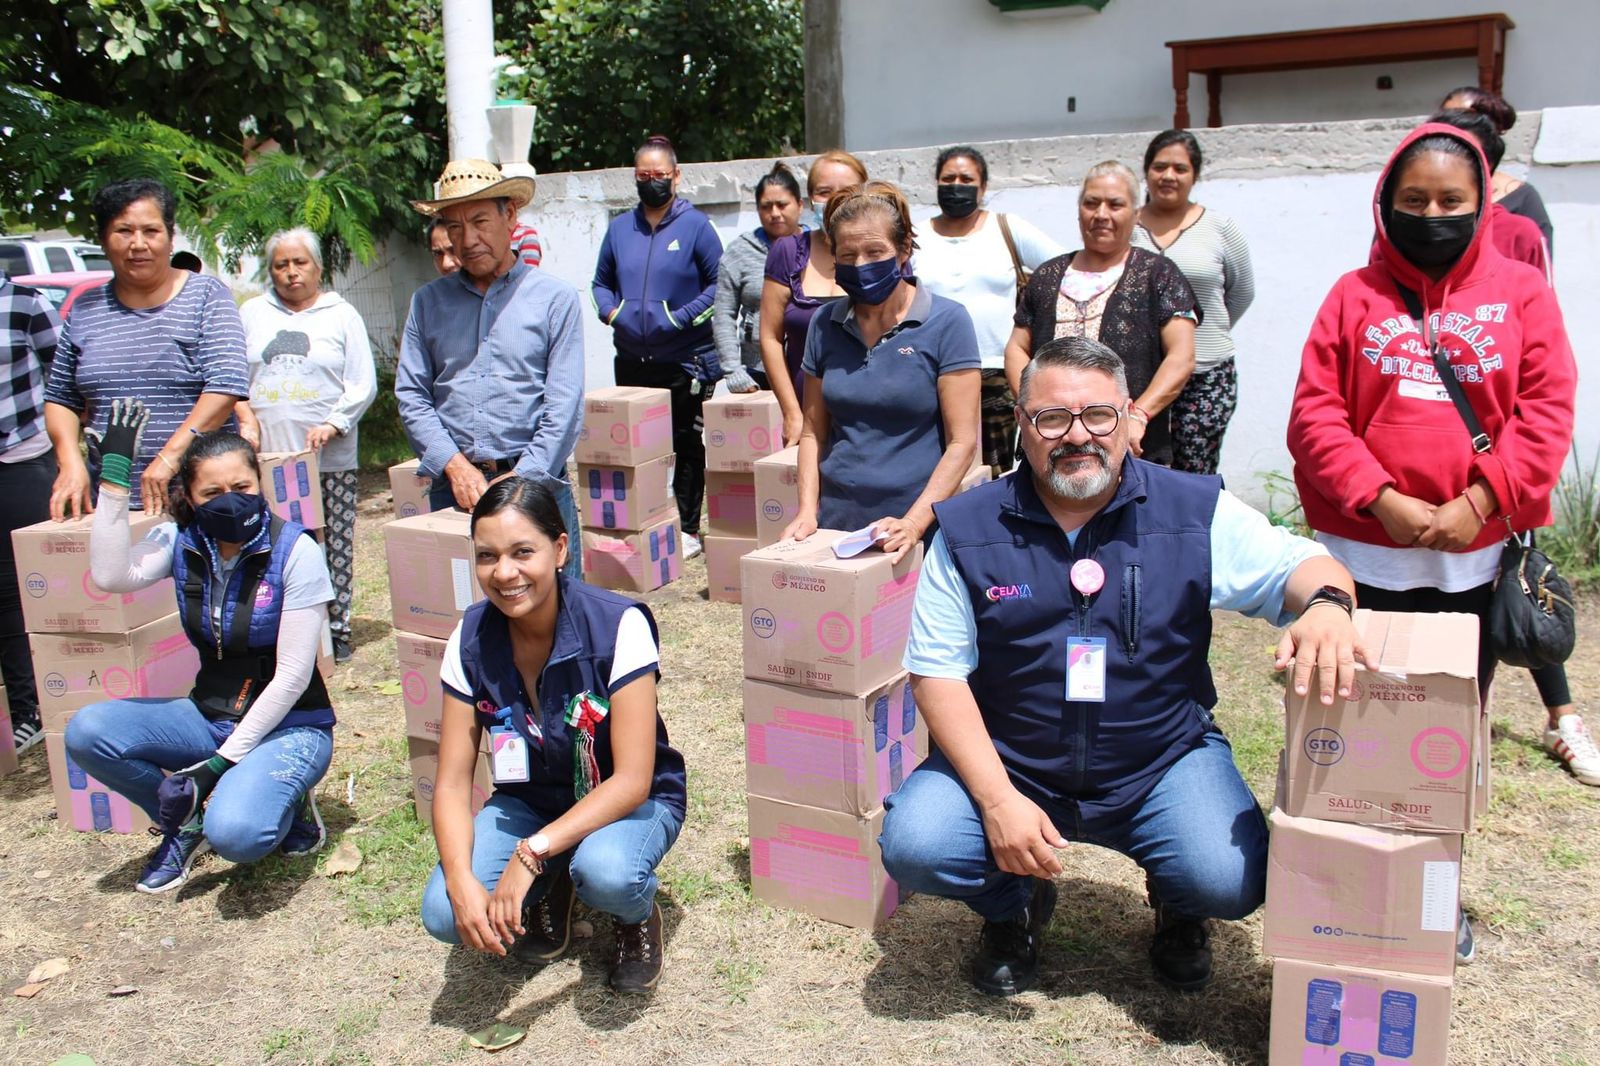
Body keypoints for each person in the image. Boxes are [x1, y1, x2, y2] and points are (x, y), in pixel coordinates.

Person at [880, 337, 1362, 996]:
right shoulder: (967, 528)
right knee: (918, 844)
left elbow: (1303, 566)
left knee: (1228, 877)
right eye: (1053, 418)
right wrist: (996, 801)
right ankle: (1012, 905)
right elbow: (936, 672)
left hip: (1158, 759)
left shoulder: (1191, 510)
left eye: (1098, 415)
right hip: (1015, 760)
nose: (1077, 435)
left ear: (1130, 416)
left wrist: (1329, 606)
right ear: (1021, 424)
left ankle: (1178, 903)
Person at [1288, 123, 1579, 953]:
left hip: (1471, 565)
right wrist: (1376, 497)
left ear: (1483, 204)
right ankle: (1346, 890)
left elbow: (1547, 411)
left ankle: (1430, 896)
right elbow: (1314, 414)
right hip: (1362, 560)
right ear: (1385, 203)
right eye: (1413, 200)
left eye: (1452, 200)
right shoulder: (1352, 295)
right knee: (1347, 729)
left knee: (1438, 743)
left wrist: (1481, 500)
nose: (1432, 216)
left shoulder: (1523, 293)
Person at [419, 478, 685, 995]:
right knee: (443, 913)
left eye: (523, 552)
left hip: (628, 800)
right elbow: (450, 784)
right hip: (530, 802)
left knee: (607, 873)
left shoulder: (618, 625)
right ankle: (554, 883)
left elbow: (633, 780)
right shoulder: (468, 640)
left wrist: (531, 853)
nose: (504, 573)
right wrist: (459, 878)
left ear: (560, 549)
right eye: (487, 556)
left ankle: (635, 916)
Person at [64, 405, 335, 894]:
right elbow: (111, 575)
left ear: (259, 483)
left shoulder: (296, 551)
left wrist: (217, 766)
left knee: (237, 836)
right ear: (189, 496)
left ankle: (289, 800)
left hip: (291, 724)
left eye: (242, 487)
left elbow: (293, 677)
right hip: (210, 713)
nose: (229, 500)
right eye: (211, 492)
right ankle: (183, 823)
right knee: (89, 732)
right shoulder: (180, 540)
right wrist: (114, 483)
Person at [398, 159, 585, 579]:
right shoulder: (427, 303)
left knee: (554, 604)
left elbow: (564, 406)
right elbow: (411, 395)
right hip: (456, 489)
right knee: (464, 605)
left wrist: (523, 478)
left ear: (510, 216)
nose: (468, 239)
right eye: (455, 226)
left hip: (537, 484)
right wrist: (455, 466)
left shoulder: (554, 299)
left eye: (480, 221)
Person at [780, 182, 980, 559]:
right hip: (837, 524)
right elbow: (812, 432)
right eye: (847, 254)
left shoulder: (947, 322)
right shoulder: (824, 324)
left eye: (875, 252)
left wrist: (914, 523)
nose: (860, 266)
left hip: (919, 530)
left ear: (904, 249)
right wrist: (807, 511)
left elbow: (962, 442)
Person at [44, 178, 249, 517]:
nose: (138, 244)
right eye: (123, 231)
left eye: (151, 231)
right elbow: (61, 398)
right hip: (112, 503)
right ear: (103, 240)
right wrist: (70, 461)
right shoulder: (85, 308)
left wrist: (169, 459)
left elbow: (226, 385)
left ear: (170, 237)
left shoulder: (206, 296)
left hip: (206, 501)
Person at [236, 228, 378, 664]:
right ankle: (279, 626)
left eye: (300, 263)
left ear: (318, 267)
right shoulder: (253, 314)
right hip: (269, 460)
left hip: (329, 459)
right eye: (281, 264)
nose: (291, 272)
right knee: (273, 542)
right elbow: (234, 377)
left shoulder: (341, 315)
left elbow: (362, 383)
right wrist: (245, 419)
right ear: (270, 271)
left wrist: (334, 422)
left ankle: (336, 629)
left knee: (332, 541)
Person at [1005, 161, 1198, 468]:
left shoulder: (1158, 275)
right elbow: (1017, 347)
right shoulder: (1047, 276)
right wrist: (1034, 408)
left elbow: (1181, 357)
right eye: (1091, 203)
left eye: (1115, 205)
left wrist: (1138, 414)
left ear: (1136, 214)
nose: (1101, 214)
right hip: (1052, 445)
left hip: (1132, 447)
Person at [591, 135, 724, 559]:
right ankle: (643, 523)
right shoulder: (619, 229)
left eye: (660, 175)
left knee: (686, 444)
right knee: (638, 450)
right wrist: (613, 313)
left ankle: (686, 529)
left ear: (676, 176)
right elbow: (600, 284)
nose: (652, 182)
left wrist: (679, 318)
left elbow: (718, 286)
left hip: (685, 361)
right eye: (643, 175)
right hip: (633, 360)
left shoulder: (696, 227)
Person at [915, 146, 1063, 478]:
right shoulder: (917, 237)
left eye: (966, 179)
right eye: (948, 178)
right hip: (933, 373)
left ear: (983, 187)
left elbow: (1063, 270)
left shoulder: (1007, 227)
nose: (956, 185)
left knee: (1001, 471)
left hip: (997, 372)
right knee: (942, 468)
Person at [1130, 131, 1256, 475]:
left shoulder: (1219, 227)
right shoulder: (1127, 226)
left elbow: (1241, 292)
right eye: (1160, 167)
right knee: (1141, 469)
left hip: (1206, 375)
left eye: (1180, 168)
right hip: (1140, 377)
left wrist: (1199, 333)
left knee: (1194, 474)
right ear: (1146, 171)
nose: (1168, 176)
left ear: (1195, 175)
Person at [760, 150, 869, 444]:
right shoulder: (787, 252)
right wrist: (791, 413)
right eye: (824, 191)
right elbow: (770, 337)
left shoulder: (883, 254)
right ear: (810, 199)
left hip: (869, 420)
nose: (835, 200)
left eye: (847, 191)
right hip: (806, 418)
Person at [0, 273, 63, 754]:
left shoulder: (25, 303)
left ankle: (31, 709)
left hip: (20, 458)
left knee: (14, 590)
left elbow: (63, 379)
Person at [711, 162, 806, 393]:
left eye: (782, 205)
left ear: (800, 205)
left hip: (809, 370)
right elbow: (723, 314)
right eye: (766, 206)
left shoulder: (816, 247)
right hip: (759, 373)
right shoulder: (740, 251)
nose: (775, 213)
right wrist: (733, 371)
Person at [1440, 86, 1553, 254]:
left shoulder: (1522, 201)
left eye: (1463, 118)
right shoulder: (1421, 202)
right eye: (1443, 120)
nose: (1450, 129)